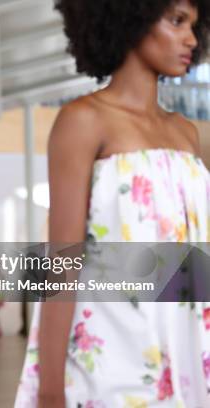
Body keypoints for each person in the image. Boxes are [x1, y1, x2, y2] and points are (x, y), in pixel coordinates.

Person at [15, 1, 210, 407]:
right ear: (129, 18)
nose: (191, 38)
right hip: (111, 352)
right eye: (176, 21)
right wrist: (51, 388)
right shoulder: (84, 120)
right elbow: (62, 261)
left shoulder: (186, 133)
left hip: (188, 347)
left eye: (195, 24)